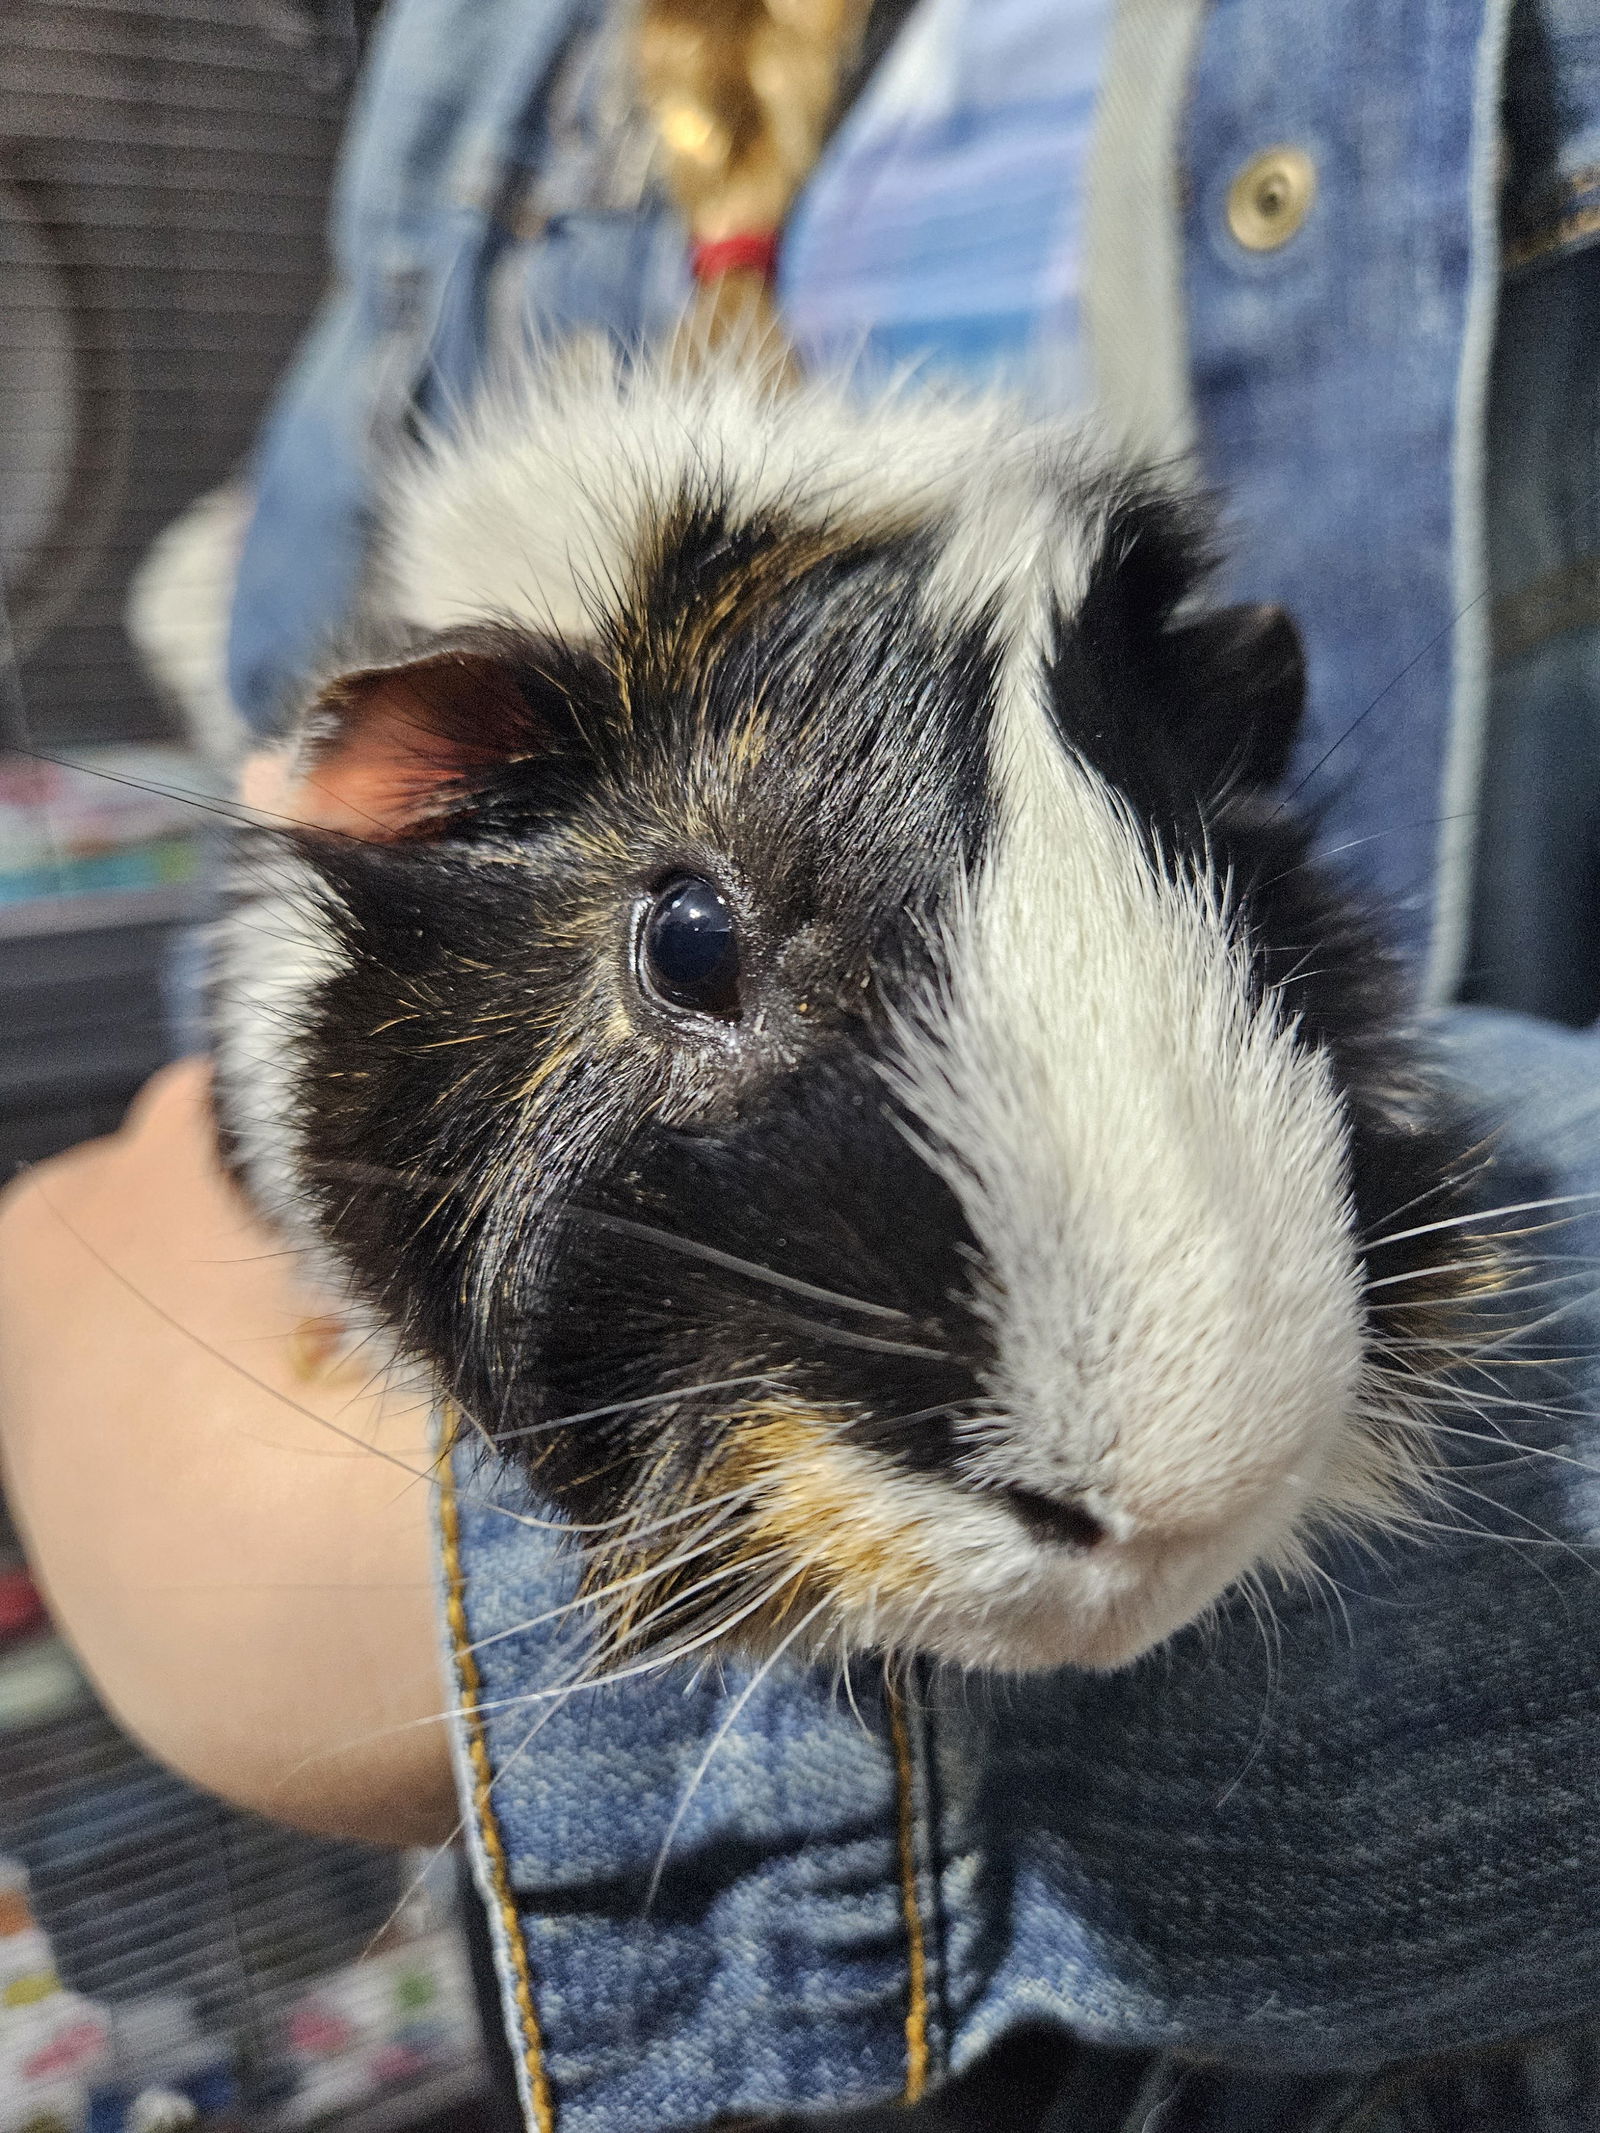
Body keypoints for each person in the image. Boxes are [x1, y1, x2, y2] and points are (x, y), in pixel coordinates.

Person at [6, 1, 1600, 2128]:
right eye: (692, 951)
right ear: (442, 780)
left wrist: (371, 1596)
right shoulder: (498, 55)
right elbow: (288, 746)